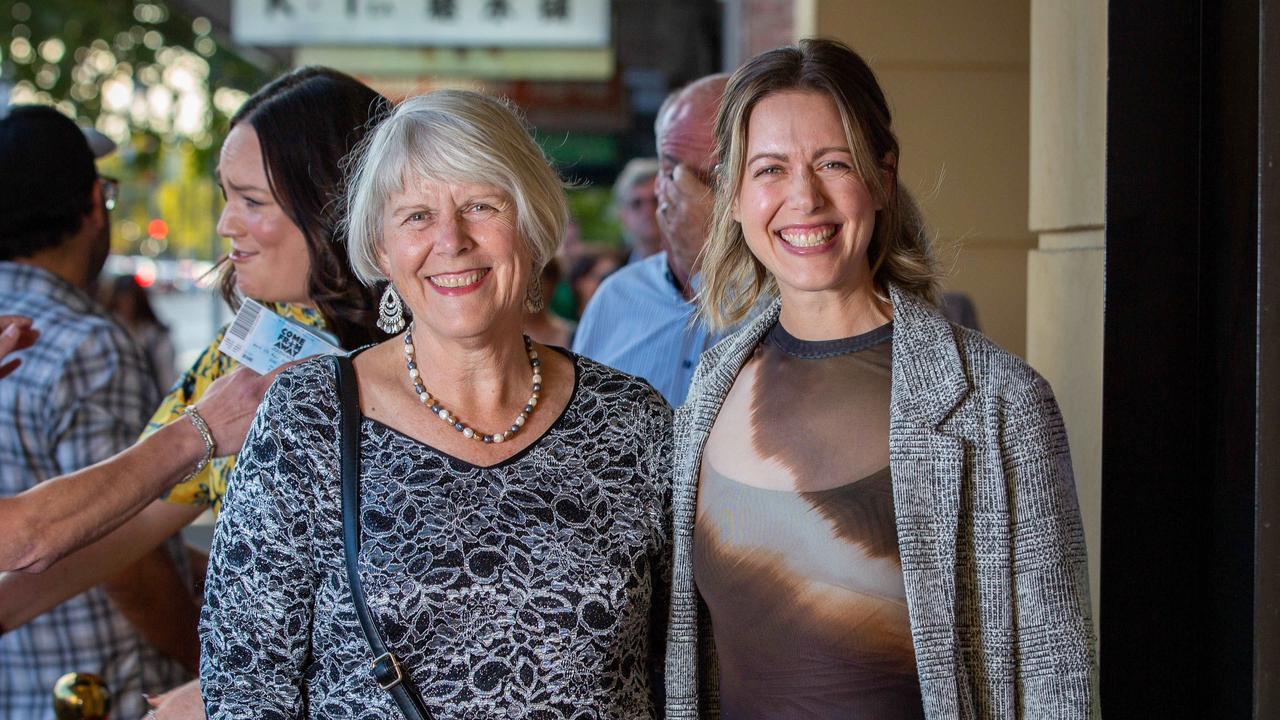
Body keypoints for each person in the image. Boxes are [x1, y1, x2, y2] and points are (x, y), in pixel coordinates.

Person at [200, 89, 673, 718]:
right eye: (416, 215)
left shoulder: (632, 419)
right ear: (383, 249)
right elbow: (246, 685)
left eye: (481, 206)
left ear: (530, 227)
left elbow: (685, 665)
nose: (451, 241)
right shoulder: (310, 417)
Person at [664, 39, 1098, 719]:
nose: (803, 197)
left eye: (833, 163)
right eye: (770, 169)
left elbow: (1058, 680)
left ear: (882, 178)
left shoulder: (998, 403)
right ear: (733, 196)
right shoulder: (711, 391)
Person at [0, 67, 394, 719]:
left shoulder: (435, 357)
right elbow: (120, 529)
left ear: (332, 201)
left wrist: (215, 692)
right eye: (224, 195)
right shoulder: (245, 357)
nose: (223, 225)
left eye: (251, 201)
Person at [0, 104, 193, 719]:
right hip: (95, 691)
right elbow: (123, 554)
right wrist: (215, 662)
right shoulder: (91, 345)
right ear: (91, 203)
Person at [573, 75, 729, 406]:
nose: (690, 195)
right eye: (673, 171)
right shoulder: (616, 298)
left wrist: (705, 259)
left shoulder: (781, 299)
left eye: (713, 178)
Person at [99, 273, 177, 392]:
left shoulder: (155, 336)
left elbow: (166, 377)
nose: (126, 306)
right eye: (121, 302)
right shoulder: (105, 332)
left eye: (130, 300)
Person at [613, 157, 661, 262]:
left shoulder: (698, 266)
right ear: (622, 215)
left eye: (656, 200)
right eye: (636, 204)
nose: (648, 211)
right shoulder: (612, 273)